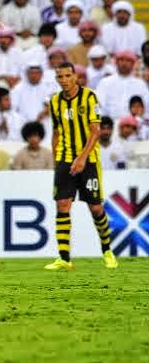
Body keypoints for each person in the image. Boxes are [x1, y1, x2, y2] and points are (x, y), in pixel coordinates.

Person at [45, 62, 117, 271]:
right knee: (62, 204)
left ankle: (107, 250)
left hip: (88, 160)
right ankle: (64, 258)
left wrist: (82, 158)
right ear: (56, 79)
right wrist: (56, 161)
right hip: (65, 158)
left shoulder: (89, 97)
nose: (64, 80)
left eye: (68, 76)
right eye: (60, 77)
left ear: (75, 76)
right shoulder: (55, 102)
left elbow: (96, 131)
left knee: (96, 208)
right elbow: (56, 133)